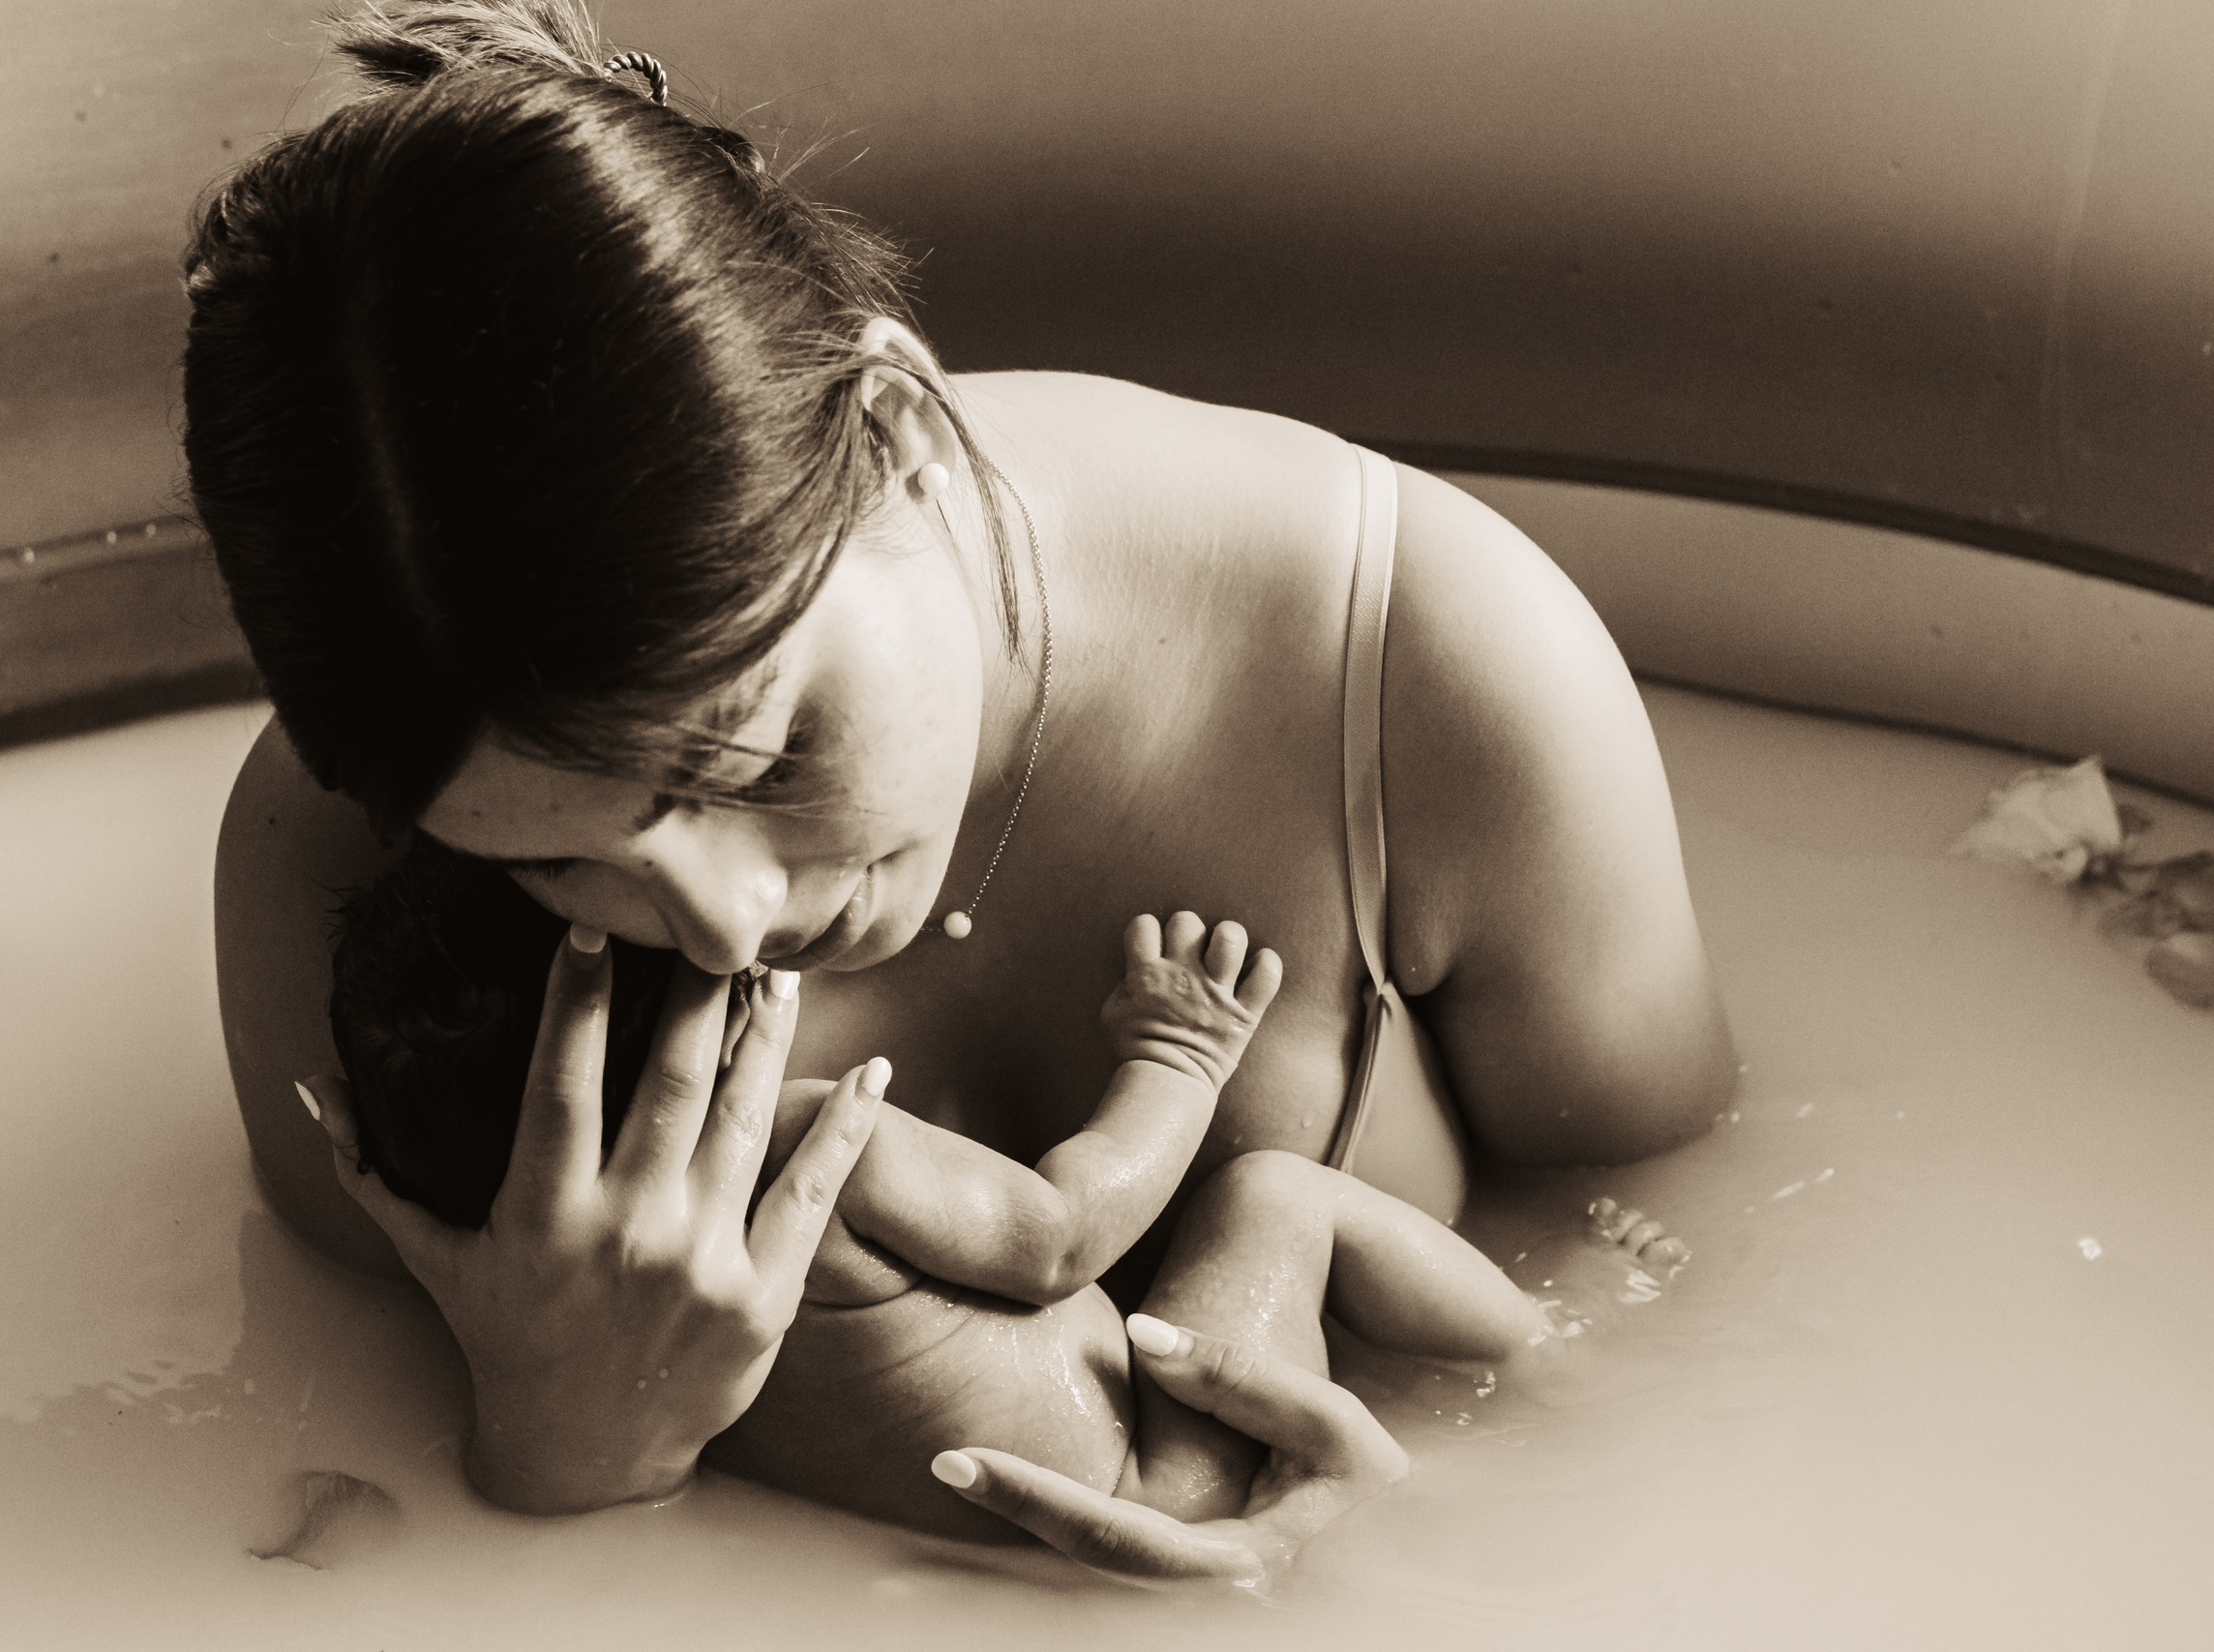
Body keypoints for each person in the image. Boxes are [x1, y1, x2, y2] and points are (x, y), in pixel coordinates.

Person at [192, 0, 1737, 1577]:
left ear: (903, 426)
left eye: (761, 756)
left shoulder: (1437, 671)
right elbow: (324, 1462)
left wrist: (1462, 1520)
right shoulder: (338, 862)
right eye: (555, 865)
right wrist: (562, 1449)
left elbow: (1700, 1288)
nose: (727, 935)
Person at [316, 854, 1689, 1572]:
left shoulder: (504, 1264)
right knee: (1277, 1199)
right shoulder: (806, 1141)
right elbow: (1056, 1238)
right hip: (1166, 1474)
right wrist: (1177, 1060)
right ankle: (1554, 1349)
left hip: (992, 1552)